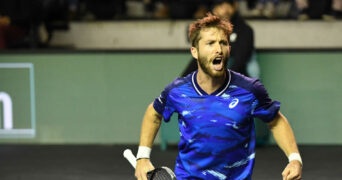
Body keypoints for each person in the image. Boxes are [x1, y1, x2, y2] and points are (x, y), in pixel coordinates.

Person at [135, 13, 302, 180]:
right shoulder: (178, 91)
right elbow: (153, 113)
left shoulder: (249, 89)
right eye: (210, 43)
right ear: (195, 51)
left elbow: (276, 121)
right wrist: (142, 157)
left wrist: (294, 159)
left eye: (223, 43)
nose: (218, 49)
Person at [182, 0, 255, 78]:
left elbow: (241, 59)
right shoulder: (209, 28)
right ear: (214, 10)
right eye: (221, 6)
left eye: (227, 6)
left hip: (237, 68)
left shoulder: (244, 29)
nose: (225, 10)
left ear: (234, 7)